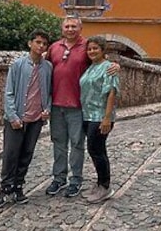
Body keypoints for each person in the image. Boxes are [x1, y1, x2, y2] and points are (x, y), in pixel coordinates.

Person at [44, 16, 117, 198]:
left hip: (78, 107)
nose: (70, 29)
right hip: (56, 105)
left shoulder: (86, 47)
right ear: (62, 29)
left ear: (80, 28)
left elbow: (101, 61)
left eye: (73, 26)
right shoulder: (54, 48)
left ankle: (75, 180)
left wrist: (117, 65)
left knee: (77, 145)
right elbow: (43, 68)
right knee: (58, 143)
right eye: (67, 26)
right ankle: (59, 179)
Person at [0, 29, 52, 209]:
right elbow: (9, 92)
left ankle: (18, 187)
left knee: (26, 154)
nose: (41, 46)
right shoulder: (17, 65)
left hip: (35, 120)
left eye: (44, 44)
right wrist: (12, 116)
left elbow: (49, 92)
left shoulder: (48, 68)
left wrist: (47, 109)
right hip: (17, 118)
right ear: (30, 43)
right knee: (11, 154)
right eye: (38, 42)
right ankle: (5, 188)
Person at [80, 35, 119, 203]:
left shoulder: (109, 67)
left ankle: (105, 186)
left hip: (100, 116)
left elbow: (112, 92)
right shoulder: (90, 67)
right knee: (96, 150)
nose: (92, 51)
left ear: (103, 50)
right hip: (87, 115)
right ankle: (99, 184)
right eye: (89, 48)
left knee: (96, 150)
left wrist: (107, 118)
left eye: (95, 48)